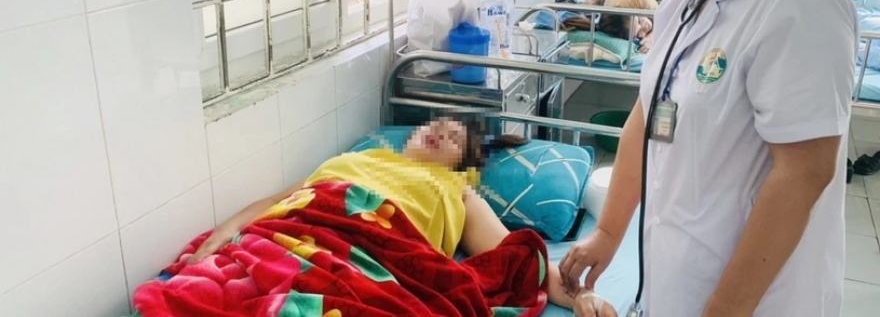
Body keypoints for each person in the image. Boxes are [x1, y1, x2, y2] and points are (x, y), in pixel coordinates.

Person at [559, 0, 858, 317]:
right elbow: (647, 115)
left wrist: (725, 308)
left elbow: (804, 173)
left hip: (754, 297)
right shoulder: (682, 0)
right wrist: (608, 232)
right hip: (679, 272)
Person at [188, 117, 618, 317]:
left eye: (453, 138)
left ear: (462, 164)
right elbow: (279, 202)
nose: (439, 133)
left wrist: (580, 295)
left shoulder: (455, 190)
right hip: (293, 232)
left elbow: (517, 259)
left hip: (370, 254)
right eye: (434, 127)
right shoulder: (349, 160)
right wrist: (226, 231)